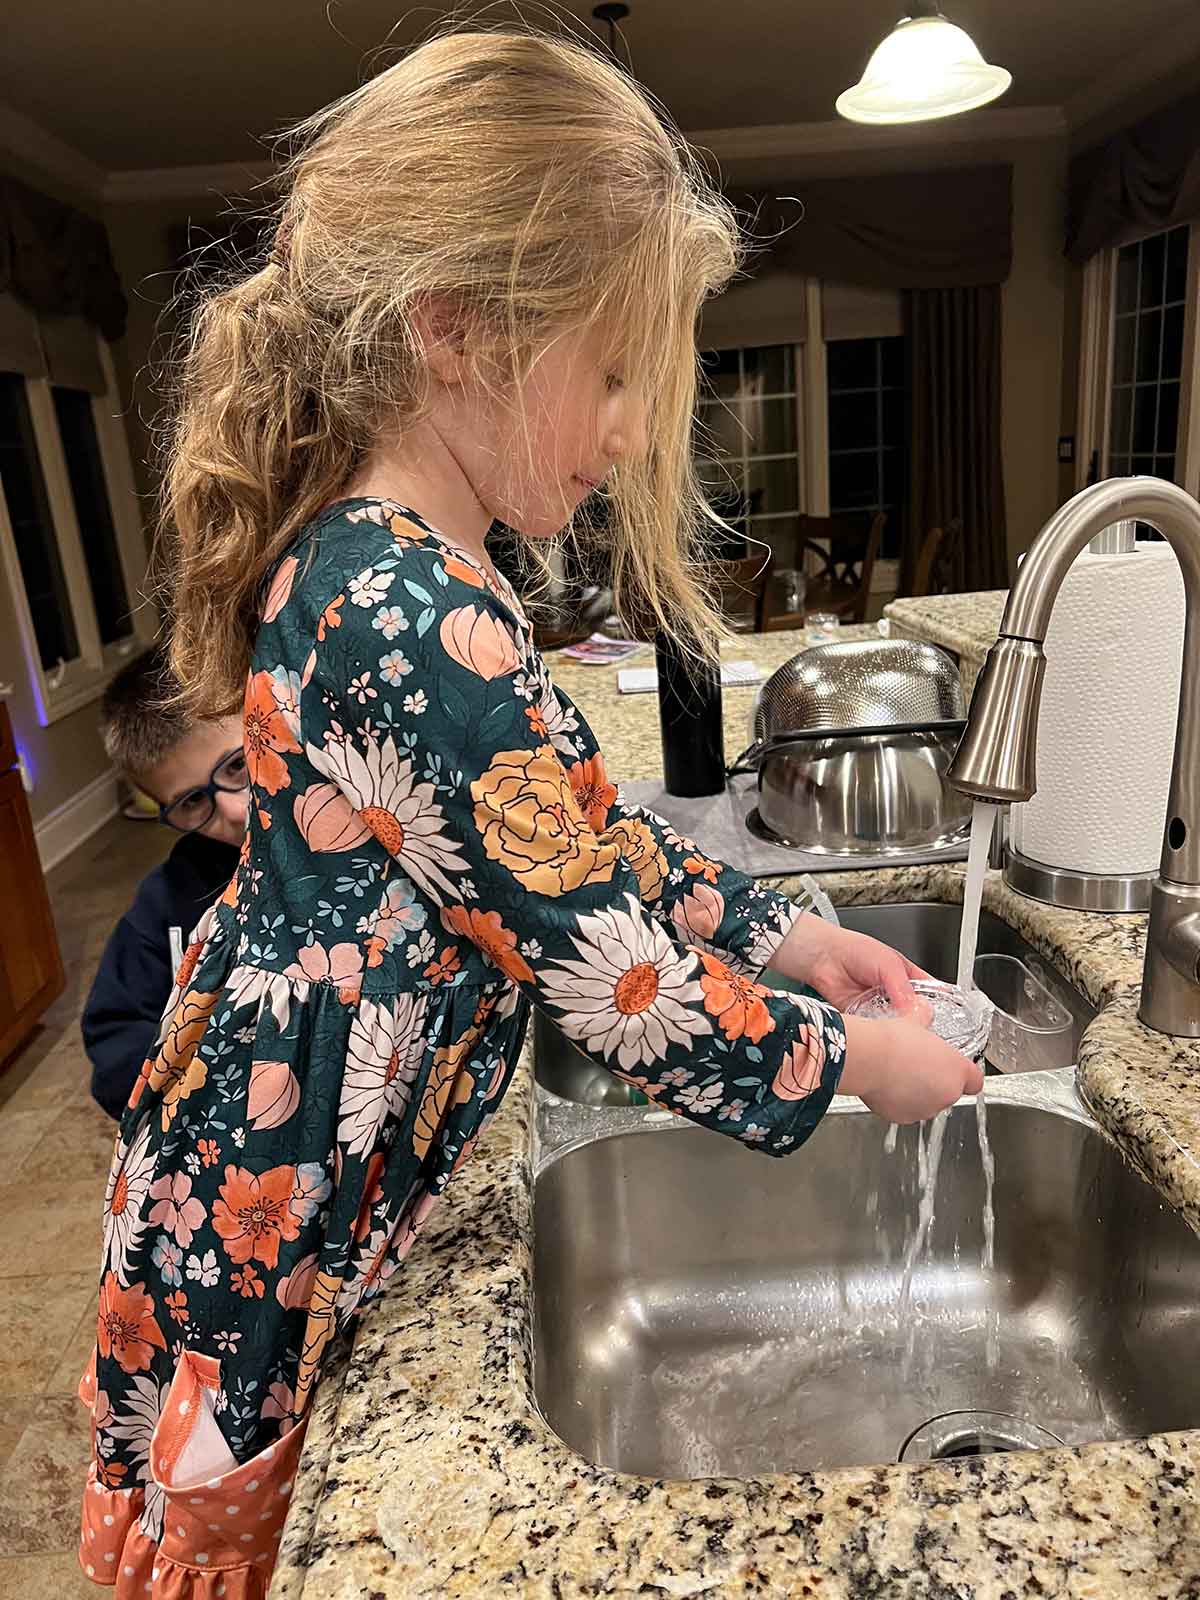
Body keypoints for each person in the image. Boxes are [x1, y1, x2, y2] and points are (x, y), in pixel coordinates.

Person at [78, 30, 982, 1595]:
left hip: (277, 1148)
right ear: (454, 333)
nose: (633, 427)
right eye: (616, 369)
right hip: (278, 1202)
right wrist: (849, 1058)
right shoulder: (416, 611)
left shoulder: (398, 563)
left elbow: (575, 836)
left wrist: (788, 928)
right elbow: (607, 972)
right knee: (238, 1520)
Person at [83, 646, 246, 1118]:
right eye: (193, 801)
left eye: (237, 765)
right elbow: (115, 1042)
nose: (234, 812)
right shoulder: (167, 905)